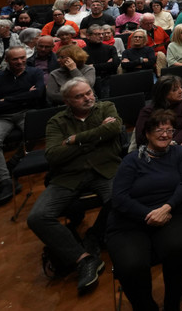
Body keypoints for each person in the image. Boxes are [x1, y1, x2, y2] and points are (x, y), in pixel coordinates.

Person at [27, 79, 121, 294]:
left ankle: (93, 237)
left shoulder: (106, 107)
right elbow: (52, 156)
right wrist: (97, 135)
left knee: (120, 200)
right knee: (38, 217)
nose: (88, 98)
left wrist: (73, 140)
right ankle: (83, 258)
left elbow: (114, 128)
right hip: (68, 176)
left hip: (105, 169)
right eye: (80, 96)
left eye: (89, 92)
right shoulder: (56, 122)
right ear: (67, 101)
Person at [107, 109, 182, 311]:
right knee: (131, 266)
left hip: (170, 213)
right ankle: (145, 307)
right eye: (159, 130)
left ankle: (173, 302)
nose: (165, 134)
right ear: (147, 133)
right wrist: (148, 214)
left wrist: (167, 207)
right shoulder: (131, 160)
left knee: (178, 248)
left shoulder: (180, 153)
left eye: (169, 130)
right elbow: (119, 197)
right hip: (130, 221)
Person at [0, 45, 45, 207]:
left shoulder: (35, 72)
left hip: (26, 112)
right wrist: (25, 95)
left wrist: (7, 99)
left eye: (22, 57)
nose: (20, 61)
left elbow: (38, 94)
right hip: (2, 117)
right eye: (15, 59)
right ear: (7, 60)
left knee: (35, 132)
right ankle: (4, 182)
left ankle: (13, 164)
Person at [134, 75, 182, 146]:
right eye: (175, 89)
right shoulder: (148, 111)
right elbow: (140, 138)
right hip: (155, 148)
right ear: (163, 93)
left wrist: (174, 142)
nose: (181, 91)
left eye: (180, 87)